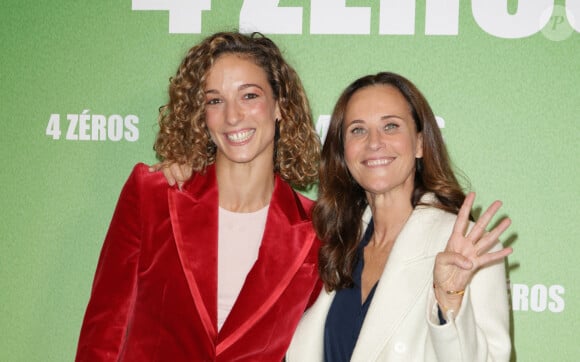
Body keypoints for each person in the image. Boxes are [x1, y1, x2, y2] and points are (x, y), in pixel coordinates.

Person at [75, 31, 323, 361]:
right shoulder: (154, 195)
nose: (233, 116)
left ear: (280, 106)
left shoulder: (318, 230)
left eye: (249, 96)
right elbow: (104, 333)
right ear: (200, 114)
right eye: (214, 100)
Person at [285, 72, 513, 361]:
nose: (374, 142)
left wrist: (449, 298)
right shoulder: (330, 243)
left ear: (420, 143)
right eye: (357, 130)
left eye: (390, 126)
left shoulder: (468, 247)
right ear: (343, 151)